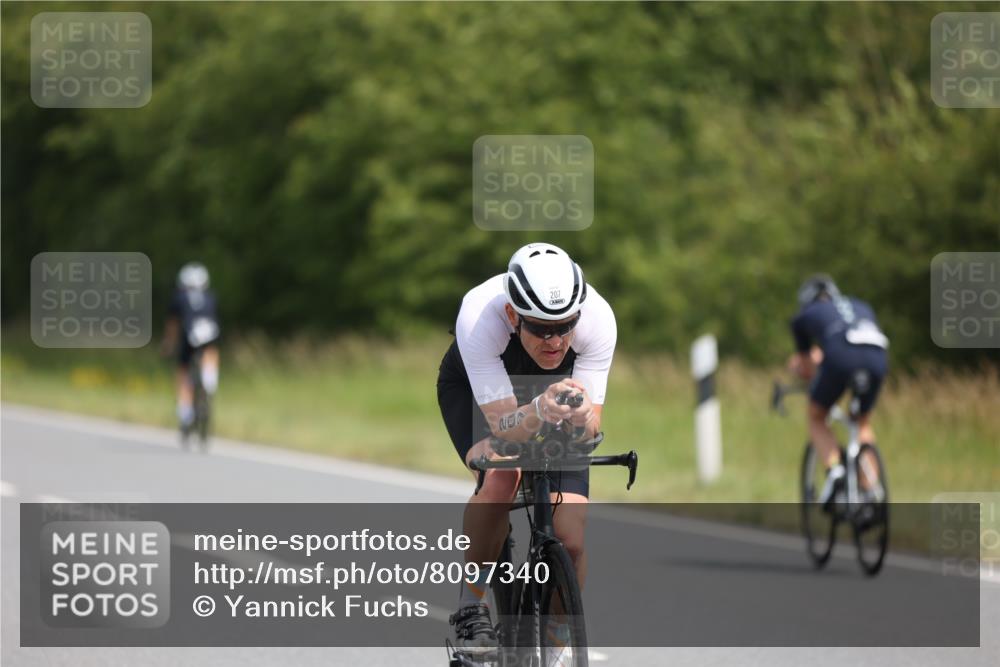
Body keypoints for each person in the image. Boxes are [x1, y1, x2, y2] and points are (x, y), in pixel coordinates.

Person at [436, 243, 616, 654]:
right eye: (540, 328)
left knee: (570, 538)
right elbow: (503, 428)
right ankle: (471, 605)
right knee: (501, 475)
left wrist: (584, 413)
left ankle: (556, 643)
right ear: (513, 316)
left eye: (565, 326)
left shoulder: (599, 320)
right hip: (481, 392)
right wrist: (537, 408)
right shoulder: (479, 317)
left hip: (552, 394)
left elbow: (590, 428)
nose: (555, 340)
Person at [788, 274, 889, 506]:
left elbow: (807, 367)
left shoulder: (805, 315)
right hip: (877, 355)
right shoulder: (860, 304)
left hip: (841, 355)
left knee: (816, 417)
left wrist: (806, 374)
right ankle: (870, 490)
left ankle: (835, 472)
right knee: (862, 422)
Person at [162, 262, 221, 435]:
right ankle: (209, 380)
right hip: (209, 333)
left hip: (189, 336)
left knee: (183, 372)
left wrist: (169, 345)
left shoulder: (178, 297)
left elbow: (173, 325)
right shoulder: (211, 296)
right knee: (211, 351)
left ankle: (185, 413)